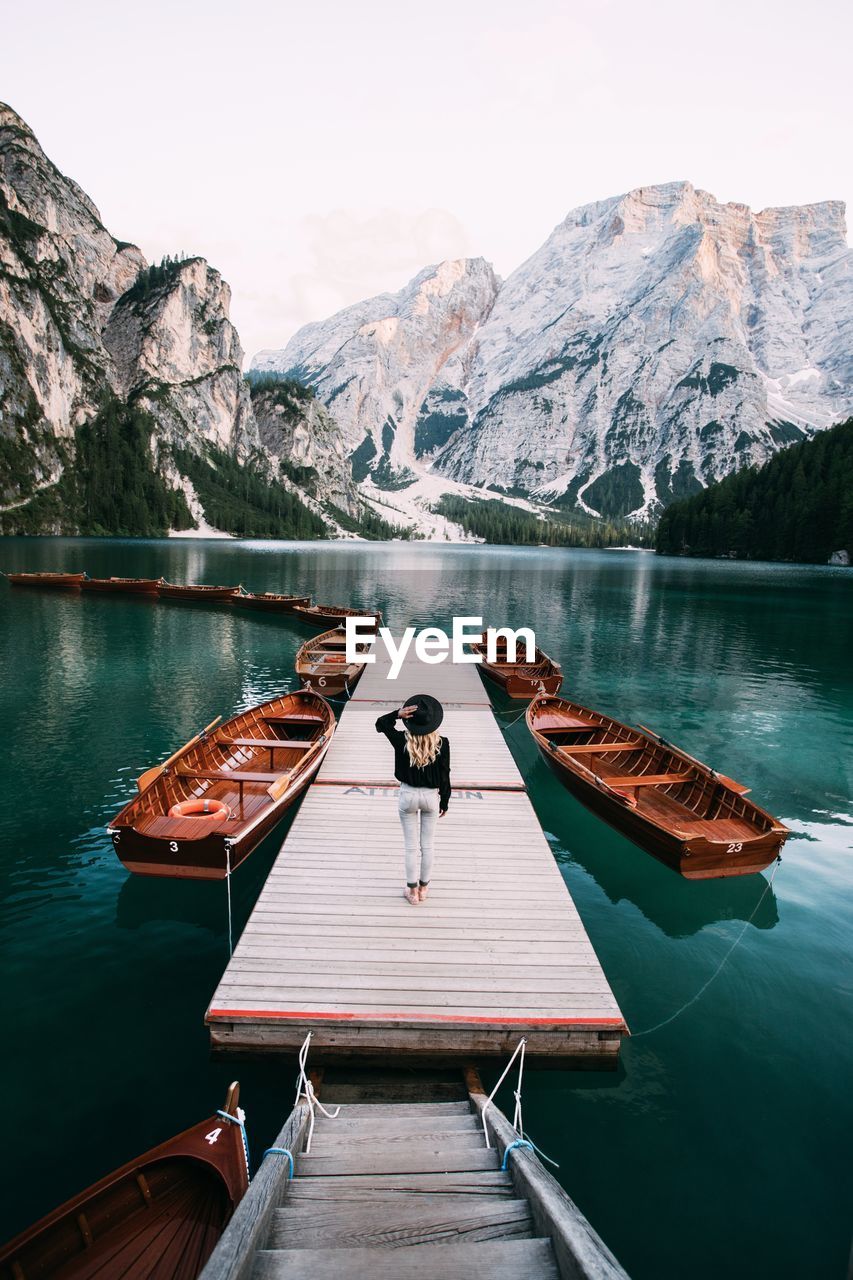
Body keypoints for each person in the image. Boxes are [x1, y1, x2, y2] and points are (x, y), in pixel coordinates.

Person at [375, 694, 450, 905]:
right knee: (428, 846)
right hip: (430, 797)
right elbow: (445, 774)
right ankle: (424, 889)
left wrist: (396, 715)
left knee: (410, 847)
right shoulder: (442, 744)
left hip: (407, 795)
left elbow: (380, 724)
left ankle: (412, 892)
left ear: (410, 720)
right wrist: (445, 801)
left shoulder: (401, 741)